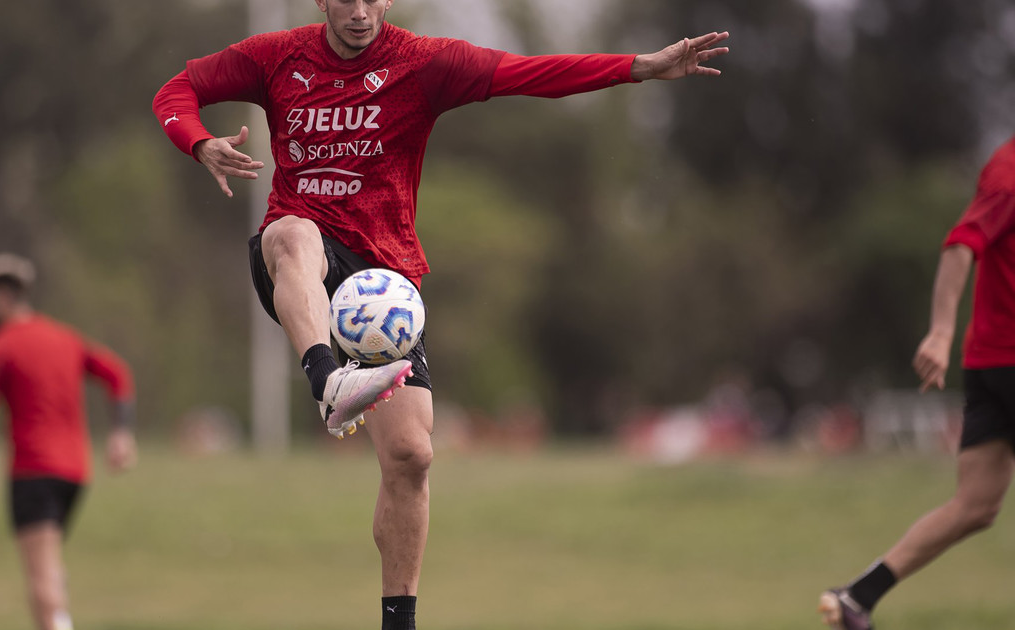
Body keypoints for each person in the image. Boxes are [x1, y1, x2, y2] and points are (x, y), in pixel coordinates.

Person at [153, 2, 729, 628]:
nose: (360, 12)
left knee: (411, 457)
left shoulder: (422, 62)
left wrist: (640, 67)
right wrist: (199, 142)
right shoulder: (275, 56)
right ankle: (326, 379)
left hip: (382, 287)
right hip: (299, 261)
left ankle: (398, 622)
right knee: (294, 233)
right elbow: (177, 90)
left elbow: (530, 73)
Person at [819, 134, 1015, 630]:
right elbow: (961, 245)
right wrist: (941, 330)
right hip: (1008, 358)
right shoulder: (1011, 174)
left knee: (976, 504)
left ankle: (857, 598)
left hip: (988, 362)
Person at [0, 253, 137, 630]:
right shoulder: (64, 337)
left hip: (33, 471)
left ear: (4, 296)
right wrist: (121, 432)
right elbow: (118, 375)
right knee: (50, 569)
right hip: (75, 473)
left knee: (41, 580)